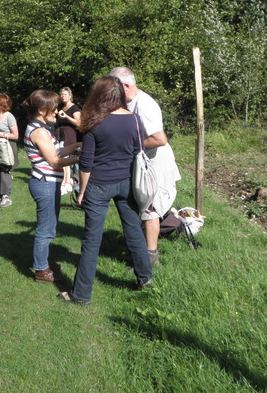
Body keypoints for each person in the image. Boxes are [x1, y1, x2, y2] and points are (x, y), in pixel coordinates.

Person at [58, 76, 152, 305]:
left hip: (99, 185)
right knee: (134, 232)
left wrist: (81, 191)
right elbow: (138, 150)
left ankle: (80, 295)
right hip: (126, 183)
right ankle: (146, 279)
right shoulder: (134, 120)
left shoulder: (94, 121)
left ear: (99, 95)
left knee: (91, 240)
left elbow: (87, 163)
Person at [110, 67, 181, 267]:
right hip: (144, 161)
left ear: (125, 85)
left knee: (150, 209)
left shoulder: (145, 105)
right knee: (143, 206)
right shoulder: (129, 103)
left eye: (113, 87)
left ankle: (150, 258)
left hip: (155, 163)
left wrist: (128, 147)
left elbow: (159, 139)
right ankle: (139, 251)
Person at [23, 90, 81, 282]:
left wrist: (76, 145)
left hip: (49, 183)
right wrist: (81, 158)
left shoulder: (44, 127)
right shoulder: (38, 131)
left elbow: (58, 150)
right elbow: (55, 161)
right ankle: (41, 269)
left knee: (50, 226)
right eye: (53, 108)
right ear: (41, 109)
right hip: (45, 183)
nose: (56, 111)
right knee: (46, 229)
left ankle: (44, 261)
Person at [0, 93, 19, 208]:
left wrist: (1, 134)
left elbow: (16, 135)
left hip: (6, 146)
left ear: (2, 104)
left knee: (4, 170)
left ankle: (6, 196)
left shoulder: (9, 116)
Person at [55, 87, 82, 195]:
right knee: (61, 156)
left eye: (65, 94)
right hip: (60, 134)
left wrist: (66, 117)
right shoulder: (61, 107)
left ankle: (66, 182)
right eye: (61, 95)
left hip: (69, 134)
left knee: (65, 157)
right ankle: (65, 181)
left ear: (70, 96)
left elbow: (79, 123)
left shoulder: (74, 108)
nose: (63, 96)